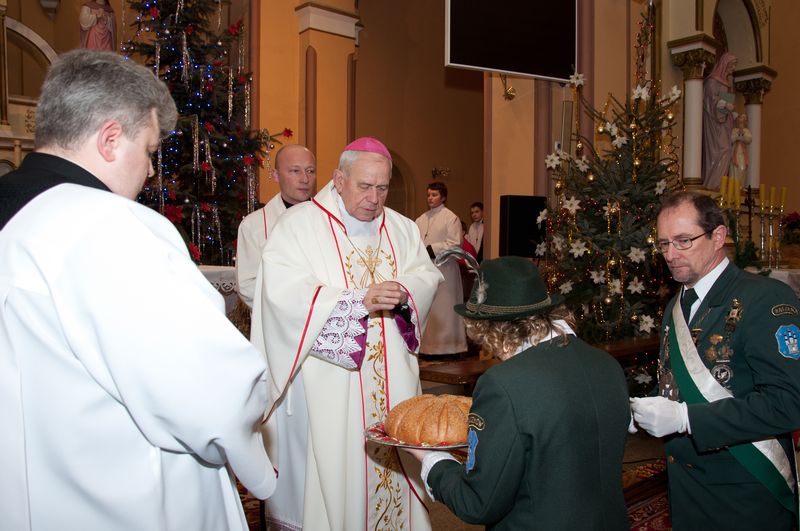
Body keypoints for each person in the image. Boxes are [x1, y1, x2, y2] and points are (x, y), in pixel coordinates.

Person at [0, 49, 276, 530]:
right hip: (123, 502)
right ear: (109, 139)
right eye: (148, 152)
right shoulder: (107, 224)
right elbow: (212, 392)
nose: (150, 173)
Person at [252, 137, 442, 530]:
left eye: (383, 187)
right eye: (364, 186)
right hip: (333, 380)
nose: (374, 198)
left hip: (394, 377)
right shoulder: (301, 226)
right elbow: (283, 294)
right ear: (339, 179)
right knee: (340, 467)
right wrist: (357, 301)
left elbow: (426, 276)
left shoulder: (402, 228)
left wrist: (404, 292)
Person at [405, 256, 630, 529]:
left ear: (489, 328)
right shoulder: (606, 364)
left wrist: (431, 459)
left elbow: (478, 503)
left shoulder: (503, 384)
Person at [631, 191, 800, 530]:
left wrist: (686, 418)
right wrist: (638, 411)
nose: (671, 255)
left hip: (745, 488)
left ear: (718, 236)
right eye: (664, 244)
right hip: (687, 487)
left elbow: (788, 403)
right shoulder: (678, 302)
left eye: (683, 241)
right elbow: (677, 380)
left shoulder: (765, 299)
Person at [235, 143, 316, 307]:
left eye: (310, 171)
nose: (305, 179)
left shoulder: (329, 220)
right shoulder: (253, 225)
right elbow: (247, 285)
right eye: (295, 171)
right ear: (276, 175)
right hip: (278, 322)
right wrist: (300, 306)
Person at [415, 181, 468, 356]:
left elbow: (455, 244)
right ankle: (427, 348)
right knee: (429, 309)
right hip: (426, 271)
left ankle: (450, 347)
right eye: (429, 195)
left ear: (443, 197)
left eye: (434, 195)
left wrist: (431, 249)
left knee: (445, 309)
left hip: (445, 271)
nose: (430, 198)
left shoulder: (450, 217)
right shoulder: (421, 219)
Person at [702, 52, 737, 190]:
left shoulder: (727, 83)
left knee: (727, 150)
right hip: (713, 122)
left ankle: (720, 184)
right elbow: (709, 101)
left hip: (725, 122)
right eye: (732, 65)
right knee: (721, 149)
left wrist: (731, 110)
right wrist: (724, 104)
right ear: (725, 64)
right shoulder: (712, 81)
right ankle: (712, 184)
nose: (733, 68)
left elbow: (725, 101)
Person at [730, 112, 752, 184]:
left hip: (742, 154)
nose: (742, 119)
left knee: (742, 169)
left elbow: (748, 139)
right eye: (740, 117)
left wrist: (742, 133)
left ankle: (740, 186)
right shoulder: (734, 130)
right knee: (734, 170)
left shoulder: (747, 131)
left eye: (744, 118)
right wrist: (738, 134)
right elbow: (731, 139)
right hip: (735, 153)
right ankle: (734, 187)